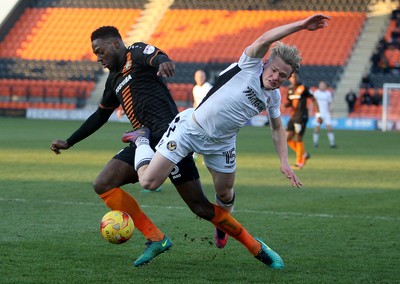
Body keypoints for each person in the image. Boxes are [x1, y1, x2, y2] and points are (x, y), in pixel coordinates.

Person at [50, 26, 287, 269]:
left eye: (100, 51)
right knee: (103, 184)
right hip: (142, 140)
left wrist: (164, 62)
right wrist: (70, 141)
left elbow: (156, 56)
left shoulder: (136, 53)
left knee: (201, 207)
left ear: (116, 45)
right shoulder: (113, 81)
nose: (98, 57)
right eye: (95, 53)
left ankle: (256, 247)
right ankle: (156, 238)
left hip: (172, 136)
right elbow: (100, 116)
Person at [122, 14, 330, 267]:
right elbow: (265, 38)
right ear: (266, 63)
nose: (276, 77)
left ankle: (221, 226)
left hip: (222, 144)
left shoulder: (273, 97)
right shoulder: (249, 66)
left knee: (225, 192)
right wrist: (301, 25)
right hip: (189, 130)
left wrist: (284, 162)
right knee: (149, 182)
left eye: (283, 76)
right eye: (274, 70)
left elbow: (277, 128)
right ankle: (142, 140)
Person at [285, 72, 322, 169]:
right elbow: (289, 102)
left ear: (298, 77)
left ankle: (299, 162)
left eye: (296, 76)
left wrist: (318, 114)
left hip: (302, 116)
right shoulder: (289, 89)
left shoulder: (303, 88)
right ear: (289, 79)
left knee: (298, 138)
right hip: (293, 116)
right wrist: (287, 105)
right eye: (292, 77)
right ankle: (304, 154)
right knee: (286, 138)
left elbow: (313, 100)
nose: (294, 78)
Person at [192, 70, 213, 161]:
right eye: (198, 77)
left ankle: (209, 156)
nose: (200, 78)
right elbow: (195, 102)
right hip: (198, 115)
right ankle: (194, 153)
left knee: (207, 136)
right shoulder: (195, 88)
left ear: (205, 77)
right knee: (196, 134)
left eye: (202, 76)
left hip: (207, 115)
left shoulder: (208, 87)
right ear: (195, 78)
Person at [312, 81, 337, 148]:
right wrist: (311, 110)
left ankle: (332, 144)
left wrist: (331, 109)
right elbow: (313, 102)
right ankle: (315, 143)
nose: (322, 86)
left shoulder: (328, 93)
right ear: (319, 86)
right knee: (317, 128)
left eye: (323, 85)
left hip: (326, 113)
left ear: (325, 86)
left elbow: (330, 103)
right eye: (321, 85)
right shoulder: (316, 93)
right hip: (319, 113)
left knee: (329, 128)